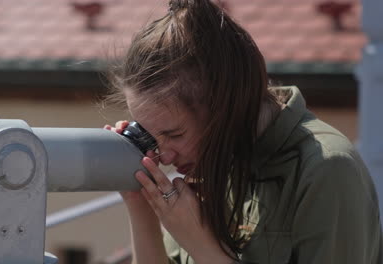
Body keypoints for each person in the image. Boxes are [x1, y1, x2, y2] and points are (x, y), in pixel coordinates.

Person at [104, 0, 383, 263]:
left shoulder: (326, 168)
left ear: (226, 106)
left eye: (175, 134)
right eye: (152, 136)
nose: (163, 155)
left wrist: (204, 249)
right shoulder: (213, 165)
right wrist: (139, 201)